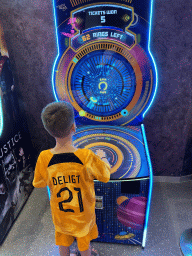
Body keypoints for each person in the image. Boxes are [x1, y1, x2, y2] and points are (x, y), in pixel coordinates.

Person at [32, 101, 111, 256]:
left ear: (49, 131)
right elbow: (105, 176)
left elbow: (39, 182)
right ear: (73, 127)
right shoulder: (86, 156)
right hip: (83, 216)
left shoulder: (44, 157)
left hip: (61, 216)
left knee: (63, 242)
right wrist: (103, 157)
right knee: (84, 242)